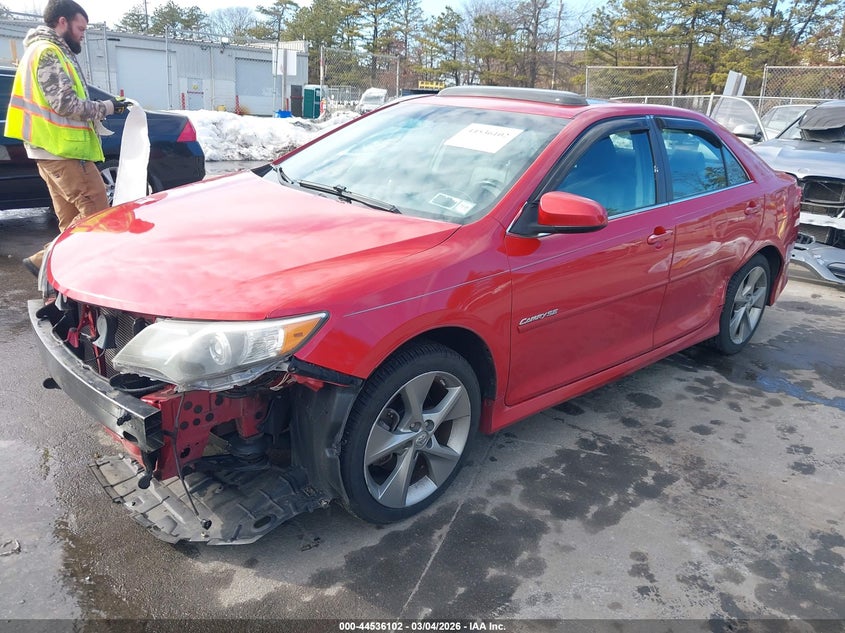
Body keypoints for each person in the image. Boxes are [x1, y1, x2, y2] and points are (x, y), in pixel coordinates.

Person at [4, 0, 128, 276]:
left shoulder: (40, 52)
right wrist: (106, 107)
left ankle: (67, 279)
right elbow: (66, 105)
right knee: (97, 215)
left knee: (71, 221)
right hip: (65, 153)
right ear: (62, 22)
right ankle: (43, 261)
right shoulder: (48, 52)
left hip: (51, 152)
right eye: (80, 27)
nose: (83, 34)